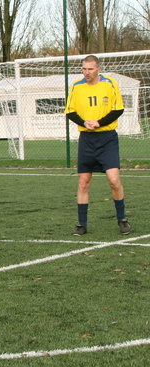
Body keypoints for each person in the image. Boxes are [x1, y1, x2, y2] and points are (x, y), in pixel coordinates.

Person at [65, 55, 130, 236]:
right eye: (84, 69)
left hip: (107, 138)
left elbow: (118, 109)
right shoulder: (77, 87)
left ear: (98, 69)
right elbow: (70, 111)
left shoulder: (109, 83)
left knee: (114, 180)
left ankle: (122, 219)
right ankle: (81, 224)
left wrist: (99, 123)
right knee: (83, 182)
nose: (86, 72)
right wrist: (85, 123)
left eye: (90, 69)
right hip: (87, 139)